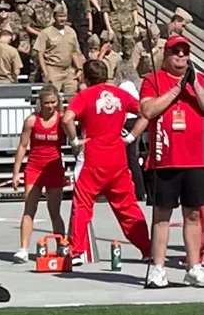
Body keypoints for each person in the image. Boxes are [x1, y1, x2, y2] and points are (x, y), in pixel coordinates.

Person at [62, 60, 152, 266]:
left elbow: (67, 118)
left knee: (82, 205)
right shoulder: (121, 94)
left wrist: (75, 141)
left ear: (86, 77)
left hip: (93, 157)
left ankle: (76, 251)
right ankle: (147, 248)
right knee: (127, 206)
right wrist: (130, 137)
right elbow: (146, 113)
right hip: (117, 158)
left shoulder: (84, 96)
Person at [138, 35, 204, 288]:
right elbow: (148, 111)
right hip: (165, 158)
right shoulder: (152, 79)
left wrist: (194, 87)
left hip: (195, 158)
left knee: (193, 215)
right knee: (162, 215)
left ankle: (194, 266)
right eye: (176, 51)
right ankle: (158, 268)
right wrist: (176, 90)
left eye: (184, 52)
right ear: (166, 55)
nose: (181, 56)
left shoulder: (198, 80)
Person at [9, 87, 66, 262]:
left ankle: (62, 246)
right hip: (34, 167)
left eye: (53, 102)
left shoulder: (63, 120)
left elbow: (75, 139)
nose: (50, 106)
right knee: (29, 208)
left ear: (58, 101)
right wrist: (16, 173)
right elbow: (22, 146)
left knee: (54, 210)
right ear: (40, 103)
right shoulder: (32, 121)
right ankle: (23, 249)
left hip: (54, 167)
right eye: (46, 103)